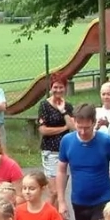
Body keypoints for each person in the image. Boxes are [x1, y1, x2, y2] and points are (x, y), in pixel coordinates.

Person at [56, 103, 110, 220]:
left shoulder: (106, 141)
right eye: (79, 127)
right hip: (79, 201)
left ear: (94, 123)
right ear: (74, 122)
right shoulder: (67, 141)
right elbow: (61, 171)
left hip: (102, 199)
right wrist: (61, 201)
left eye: (87, 128)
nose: (83, 132)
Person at [36, 74, 75, 204]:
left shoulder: (68, 106)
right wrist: (63, 128)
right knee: (54, 191)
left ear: (65, 88)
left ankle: (57, 215)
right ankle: (49, 214)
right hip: (50, 151)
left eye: (61, 87)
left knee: (60, 192)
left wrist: (63, 111)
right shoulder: (44, 105)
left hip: (66, 152)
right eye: (55, 87)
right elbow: (43, 130)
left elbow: (73, 127)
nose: (58, 90)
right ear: (51, 88)